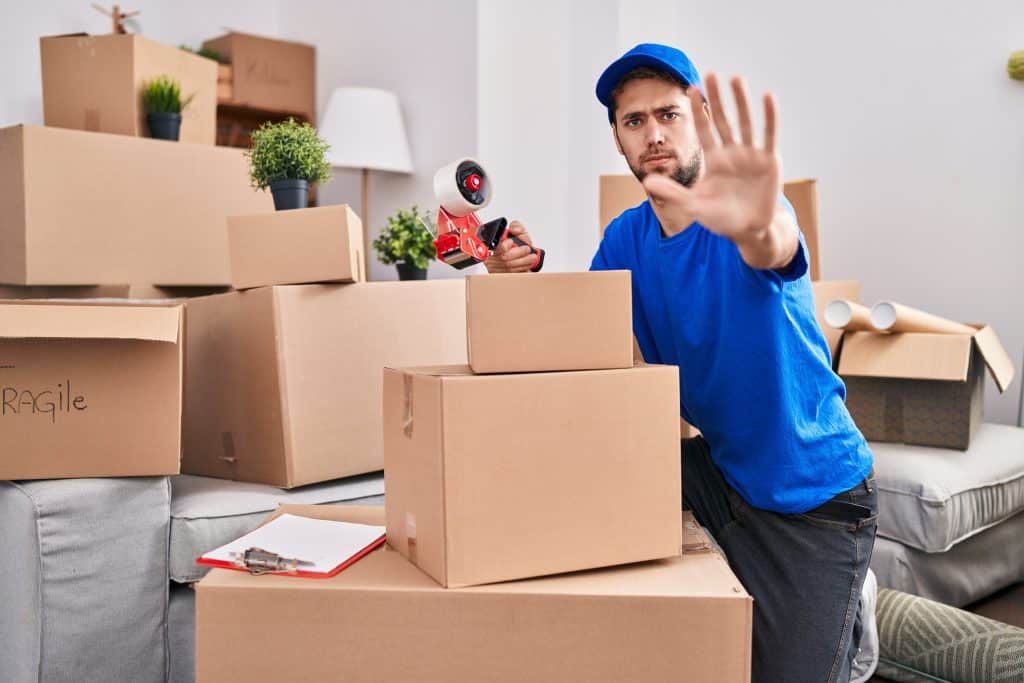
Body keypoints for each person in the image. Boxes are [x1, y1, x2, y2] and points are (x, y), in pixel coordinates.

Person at [485, 43, 877, 683]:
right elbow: (579, 343)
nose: (653, 135)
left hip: (815, 495)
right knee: (574, 470)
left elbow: (773, 244)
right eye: (633, 121)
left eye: (668, 114)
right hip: (721, 475)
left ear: (699, 117)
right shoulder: (624, 239)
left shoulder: (753, 215)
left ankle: (849, 607)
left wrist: (756, 228)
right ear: (617, 140)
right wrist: (517, 278)